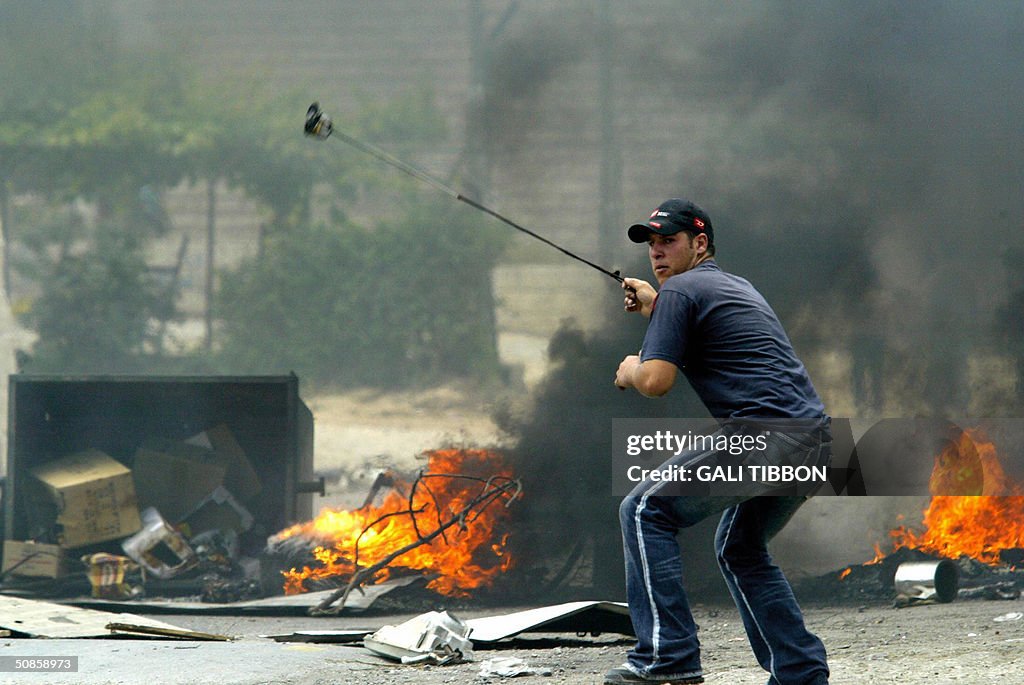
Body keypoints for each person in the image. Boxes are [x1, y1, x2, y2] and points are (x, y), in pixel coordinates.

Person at [605, 198, 833, 685]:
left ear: (700, 243)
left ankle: (667, 661)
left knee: (643, 509)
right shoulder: (731, 285)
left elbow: (657, 380)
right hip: (815, 440)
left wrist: (629, 370)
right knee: (741, 547)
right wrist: (655, 307)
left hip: (765, 437)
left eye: (669, 241)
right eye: (651, 244)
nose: (657, 252)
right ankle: (800, 673)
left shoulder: (682, 292)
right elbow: (706, 333)